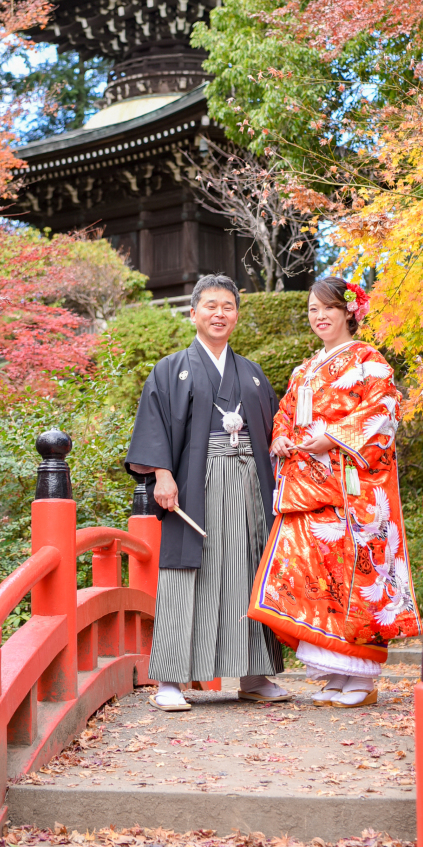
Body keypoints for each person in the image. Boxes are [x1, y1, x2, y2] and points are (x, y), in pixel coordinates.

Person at [248, 276, 421, 707]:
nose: (319, 316)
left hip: (354, 487)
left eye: (327, 308)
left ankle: (361, 676)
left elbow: (384, 410)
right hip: (307, 485)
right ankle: (336, 672)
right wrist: (282, 440)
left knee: (355, 573)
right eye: (312, 309)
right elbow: (285, 415)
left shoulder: (369, 361)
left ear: (349, 312)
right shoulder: (303, 370)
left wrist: (334, 439)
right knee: (314, 573)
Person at [125, 273, 288, 711]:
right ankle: (172, 681)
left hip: (250, 485)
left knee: (248, 569)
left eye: (228, 307)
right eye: (211, 306)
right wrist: (162, 475)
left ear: (237, 315)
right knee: (185, 575)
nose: (220, 314)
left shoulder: (252, 375)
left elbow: (276, 434)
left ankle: (254, 674)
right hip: (194, 484)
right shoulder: (170, 370)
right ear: (193, 312)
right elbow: (155, 428)